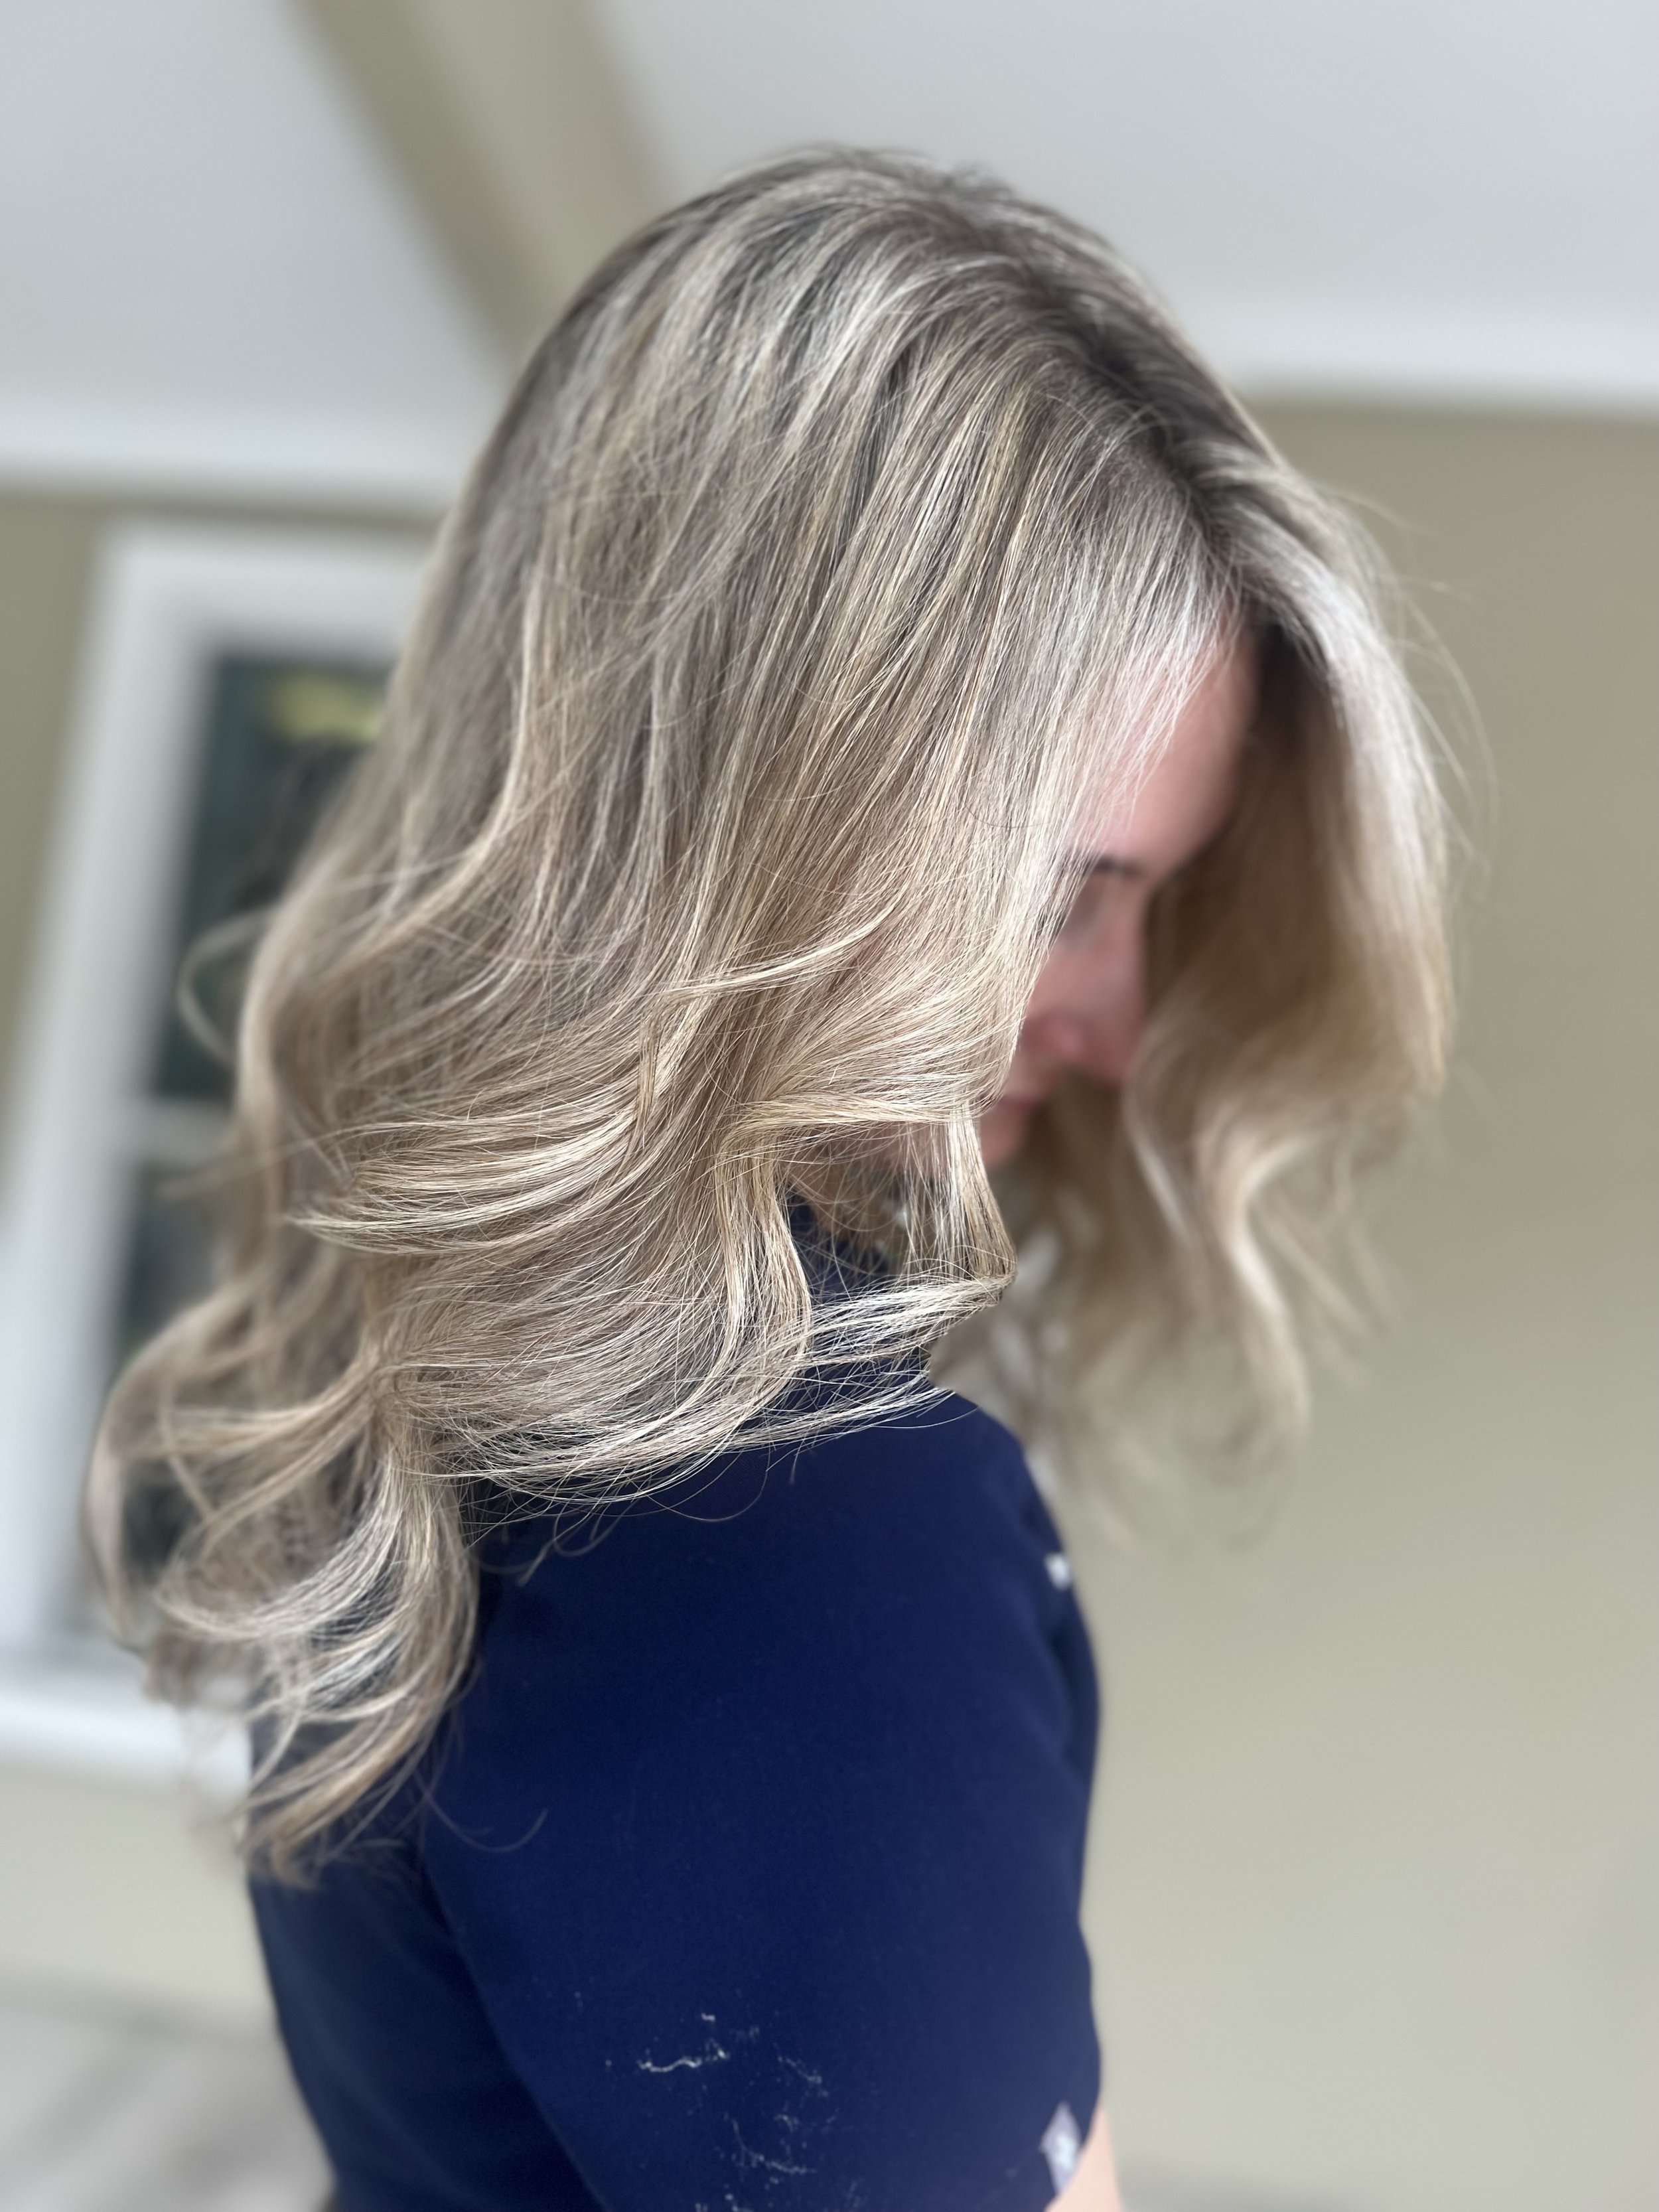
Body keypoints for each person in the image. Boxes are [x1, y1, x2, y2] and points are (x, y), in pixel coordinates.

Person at [88, 151, 1449, 2211]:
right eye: (1064, 900)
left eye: (1146, 910)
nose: (1114, 1027)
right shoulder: (789, 1510)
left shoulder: (439, 1375)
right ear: (739, 830)